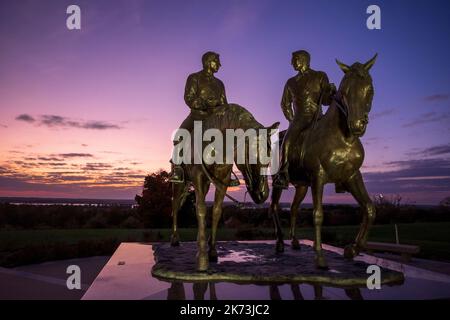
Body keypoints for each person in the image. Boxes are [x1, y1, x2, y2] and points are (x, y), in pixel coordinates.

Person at [169, 51, 238, 186]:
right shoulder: (194, 78)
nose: (219, 65)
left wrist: (222, 110)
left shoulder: (220, 83)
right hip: (196, 116)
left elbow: (224, 104)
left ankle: (228, 173)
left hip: (215, 119)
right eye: (217, 62)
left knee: (230, 138)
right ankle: (177, 169)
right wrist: (204, 103)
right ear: (208, 62)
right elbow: (189, 97)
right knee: (179, 136)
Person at [273, 50, 336, 189]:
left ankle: (341, 176)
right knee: (288, 141)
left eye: (294, 59)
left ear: (304, 60)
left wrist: (330, 93)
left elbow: (326, 101)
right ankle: (283, 173)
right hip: (300, 118)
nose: (292, 62)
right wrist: (291, 120)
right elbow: (285, 104)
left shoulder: (320, 76)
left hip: (319, 117)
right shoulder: (290, 82)